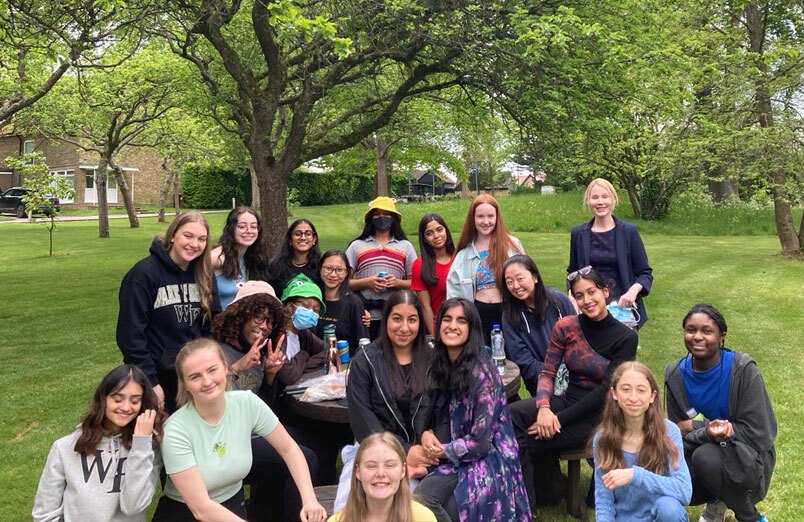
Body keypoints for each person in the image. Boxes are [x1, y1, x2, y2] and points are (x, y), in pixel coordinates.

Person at [153, 338, 326, 522]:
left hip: (234, 507)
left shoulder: (246, 403)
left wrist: (309, 500)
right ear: (185, 384)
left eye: (212, 370)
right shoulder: (175, 430)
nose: (207, 381)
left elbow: (289, 449)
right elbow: (201, 509)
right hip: (186, 515)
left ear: (226, 368)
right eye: (195, 376)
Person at [510, 267, 638, 510]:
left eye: (592, 292)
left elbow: (605, 391)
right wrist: (545, 408)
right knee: (511, 416)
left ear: (605, 291)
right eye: (579, 296)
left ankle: (529, 501)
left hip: (598, 416)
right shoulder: (566, 326)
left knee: (526, 441)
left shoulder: (625, 337)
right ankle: (531, 498)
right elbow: (547, 372)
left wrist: (557, 420)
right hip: (566, 399)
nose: (587, 300)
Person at [211, 280, 319, 521]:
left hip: (251, 433)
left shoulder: (258, 352)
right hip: (224, 440)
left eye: (270, 321)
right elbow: (210, 403)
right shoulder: (215, 351)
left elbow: (263, 411)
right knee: (304, 458)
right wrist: (238, 367)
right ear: (241, 314)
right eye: (258, 318)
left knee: (319, 439)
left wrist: (269, 375)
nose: (264, 326)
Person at [416, 298, 532, 522]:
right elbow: (431, 410)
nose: (452, 326)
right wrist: (426, 432)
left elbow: (480, 443)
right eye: (447, 319)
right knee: (420, 498)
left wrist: (440, 450)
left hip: (489, 459)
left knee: (425, 501)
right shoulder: (441, 364)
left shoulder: (481, 373)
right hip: (455, 454)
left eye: (461, 321)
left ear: (472, 329)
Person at [664, 304, 776, 522]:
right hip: (700, 450)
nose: (697, 337)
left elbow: (760, 433)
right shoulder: (675, 374)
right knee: (664, 461)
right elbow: (678, 433)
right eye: (690, 330)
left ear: (721, 336)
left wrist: (698, 427)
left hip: (747, 456)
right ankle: (717, 497)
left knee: (706, 457)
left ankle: (749, 516)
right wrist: (707, 432)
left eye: (707, 331)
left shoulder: (743, 370)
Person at [336, 290, 436, 511]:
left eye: (412, 320)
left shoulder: (432, 360)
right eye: (397, 319)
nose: (404, 328)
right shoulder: (365, 360)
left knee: (410, 508)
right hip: (373, 449)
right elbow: (362, 418)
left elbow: (441, 409)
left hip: (423, 453)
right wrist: (403, 451)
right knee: (350, 506)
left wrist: (424, 444)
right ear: (386, 319)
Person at [33, 365, 166, 522]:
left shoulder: (148, 447)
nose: (126, 407)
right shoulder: (65, 447)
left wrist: (141, 444)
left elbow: (133, 506)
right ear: (103, 399)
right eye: (117, 399)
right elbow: (44, 514)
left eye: (135, 401)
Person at [117, 210, 215, 413]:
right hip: (158, 375)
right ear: (172, 236)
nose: (194, 244)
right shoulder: (143, 274)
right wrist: (150, 382)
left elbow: (210, 326)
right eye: (188, 236)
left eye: (201, 239)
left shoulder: (203, 274)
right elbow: (130, 335)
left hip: (194, 374)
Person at [593, 361, 691, 521]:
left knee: (669, 508)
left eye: (641, 390)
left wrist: (635, 475)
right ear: (614, 393)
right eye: (625, 389)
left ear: (652, 396)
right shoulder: (603, 438)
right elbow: (604, 501)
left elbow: (684, 491)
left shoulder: (668, 431)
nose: (633, 398)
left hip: (659, 517)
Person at [568, 178, 653, 328]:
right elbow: (572, 272)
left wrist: (633, 291)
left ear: (613, 199)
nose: (600, 202)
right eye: (595, 197)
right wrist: (572, 295)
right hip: (590, 308)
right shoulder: (578, 234)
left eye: (605, 196)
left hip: (622, 310)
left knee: (622, 351)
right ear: (588, 201)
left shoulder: (629, 232)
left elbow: (645, 273)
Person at [446, 194, 524, 344]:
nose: (486, 221)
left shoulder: (512, 246)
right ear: (473, 218)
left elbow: (527, 279)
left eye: (490, 216)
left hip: (510, 312)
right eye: (480, 216)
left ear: (497, 217)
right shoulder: (463, 255)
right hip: (478, 316)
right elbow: (453, 296)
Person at [501, 254, 576, 396]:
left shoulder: (560, 301)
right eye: (509, 281)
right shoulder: (510, 315)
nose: (515, 286)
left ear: (535, 277)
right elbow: (523, 360)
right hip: (541, 387)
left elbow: (579, 342)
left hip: (575, 379)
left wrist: (571, 375)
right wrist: (555, 378)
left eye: (520, 278)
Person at [346, 197, 417, 339]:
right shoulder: (356, 246)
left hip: (394, 315)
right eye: (377, 214)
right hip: (364, 316)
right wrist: (367, 282)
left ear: (394, 218)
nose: (381, 218)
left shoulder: (405, 246)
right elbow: (342, 283)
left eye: (386, 214)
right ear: (370, 218)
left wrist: (397, 283)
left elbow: (415, 283)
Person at [329, 432, 437, 522]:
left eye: (390, 465)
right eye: (371, 466)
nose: (381, 473)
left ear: (403, 470)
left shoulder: (424, 518)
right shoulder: (338, 520)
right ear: (358, 472)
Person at [211, 206, 270, 309]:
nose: (249, 231)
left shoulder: (248, 257)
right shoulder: (217, 258)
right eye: (242, 227)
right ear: (231, 229)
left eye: (254, 226)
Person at [315, 248, 369, 354]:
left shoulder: (353, 303)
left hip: (345, 365)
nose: (333, 274)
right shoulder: (313, 300)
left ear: (346, 273)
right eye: (328, 268)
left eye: (339, 270)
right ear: (320, 269)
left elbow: (363, 343)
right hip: (312, 364)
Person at [411, 214, 455, 335]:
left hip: (463, 322)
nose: (436, 236)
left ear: (446, 230)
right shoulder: (419, 265)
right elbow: (426, 307)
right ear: (424, 238)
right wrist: (434, 336)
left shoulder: (460, 258)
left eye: (440, 230)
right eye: (429, 233)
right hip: (438, 325)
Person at [268, 219, 322, 294]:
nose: (303, 238)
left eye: (308, 234)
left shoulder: (321, 266)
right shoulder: (275, 266)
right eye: (297, 234)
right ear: (290, 239)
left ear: (314, 239)